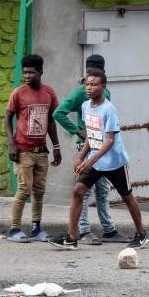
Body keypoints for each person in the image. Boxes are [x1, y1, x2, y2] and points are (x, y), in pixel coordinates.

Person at [47, 70, 147, 250]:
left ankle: (141, 234)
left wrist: (90, 160)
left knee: (127, 196)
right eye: (87, 84)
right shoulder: (86, 106)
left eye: (94, 85)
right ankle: (71, 238)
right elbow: (90, 135)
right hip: (96, 160)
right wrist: (81, 158)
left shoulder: (109, 109)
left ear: (103, 87)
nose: (89, 88)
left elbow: (109, 141)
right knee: (78, 191)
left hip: (115, 162)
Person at [53, 54, 126, 245]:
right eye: (89, 77)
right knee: (83, 190)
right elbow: (58, 113)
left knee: (102, 190)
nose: (90, 85)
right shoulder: (80, 92)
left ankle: (109, 230)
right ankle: (84, 231)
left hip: (102, 148)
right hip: (87, 147)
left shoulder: (105, 93)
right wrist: (79, 132)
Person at [4, 54, 60, 243]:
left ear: (40, 72)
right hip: (23, 151)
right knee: (24, 189)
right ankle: (14, 229)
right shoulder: (18, 93)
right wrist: (11, 143)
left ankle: (36, 228)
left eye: (31, 72)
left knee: (39, 190)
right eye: (25, 72)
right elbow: (7, 117)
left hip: (41, 151)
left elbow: (51, 121)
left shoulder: (49, 93)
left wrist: (56, 146)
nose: (27, 76)